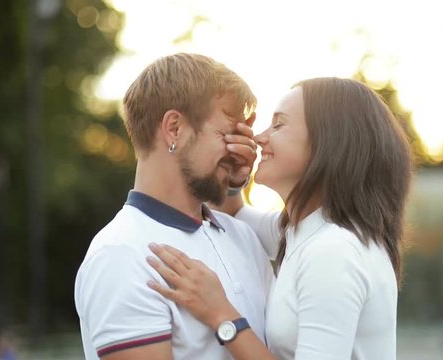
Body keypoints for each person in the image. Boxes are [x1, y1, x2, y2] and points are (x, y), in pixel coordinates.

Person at [147, 77, 413, 359]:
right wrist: (233, 179)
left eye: (279, 125)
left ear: (329, 143)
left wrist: (222, 315)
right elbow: (235, 216)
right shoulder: (305, 232)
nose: (259, 138)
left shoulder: (333, 252)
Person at [74, 53, 274, 360]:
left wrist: (231, 180)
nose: (241, 148)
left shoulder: (244, 238)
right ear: (175, 128)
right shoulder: (121, 253)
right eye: (226, 134)